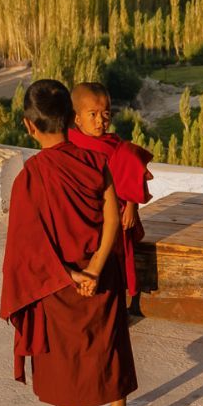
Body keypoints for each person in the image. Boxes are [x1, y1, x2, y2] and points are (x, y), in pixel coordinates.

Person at [0, 79, 148, 406]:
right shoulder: (96, 162)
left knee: (64, 351)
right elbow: (112, 219)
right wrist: (96, 267)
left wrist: (71, 274)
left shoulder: (29, 178)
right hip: (102, 275)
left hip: (59, 281)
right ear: (71, 119)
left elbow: (27, 246)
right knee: (110, 343)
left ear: (28, 125)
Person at [67, 81, 154, 301]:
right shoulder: (72, 144)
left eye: (105, 114)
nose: (101, 121)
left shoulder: (115, 145)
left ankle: (122, 299)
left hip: (115, 214)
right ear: (77, 118)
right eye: (93, 115)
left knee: (118, 260)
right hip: (85, 214)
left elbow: (132, 170)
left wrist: (132, 206)